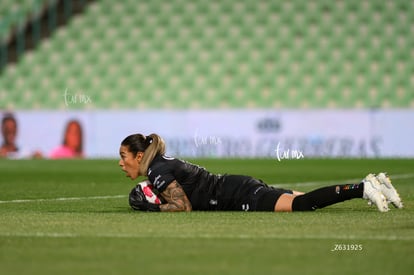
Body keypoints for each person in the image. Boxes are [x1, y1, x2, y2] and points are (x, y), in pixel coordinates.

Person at [119, 133, 403, 213]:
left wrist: (152, 209)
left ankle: (362, 189)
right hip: (235, 186)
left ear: (140, 156)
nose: (121, 163)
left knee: (301, 205)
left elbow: (184, 205)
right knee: (303, 198)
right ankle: (370, 184)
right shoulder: (159, 166)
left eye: (124, 156)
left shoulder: (156, 169)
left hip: (237, 194)